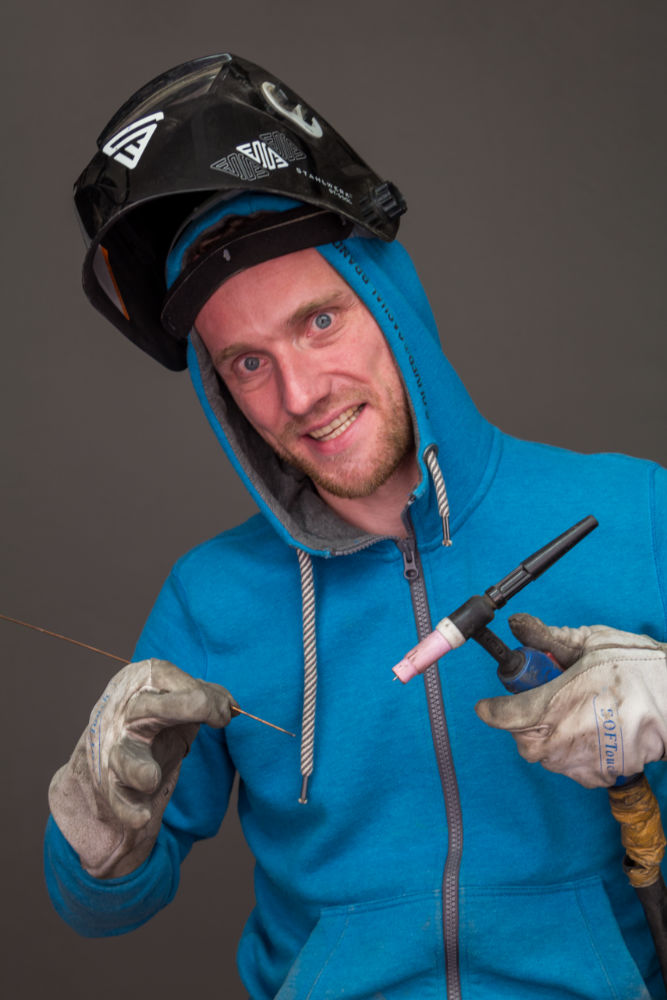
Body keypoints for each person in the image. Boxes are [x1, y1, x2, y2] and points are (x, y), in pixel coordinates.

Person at [44, 54, 667, 999]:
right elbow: (101, 910)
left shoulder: (635, 511)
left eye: (319, 322)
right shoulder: (210, 600)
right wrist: (96, 829)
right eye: (248, 363)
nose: (299, 394)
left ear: (390, 303)